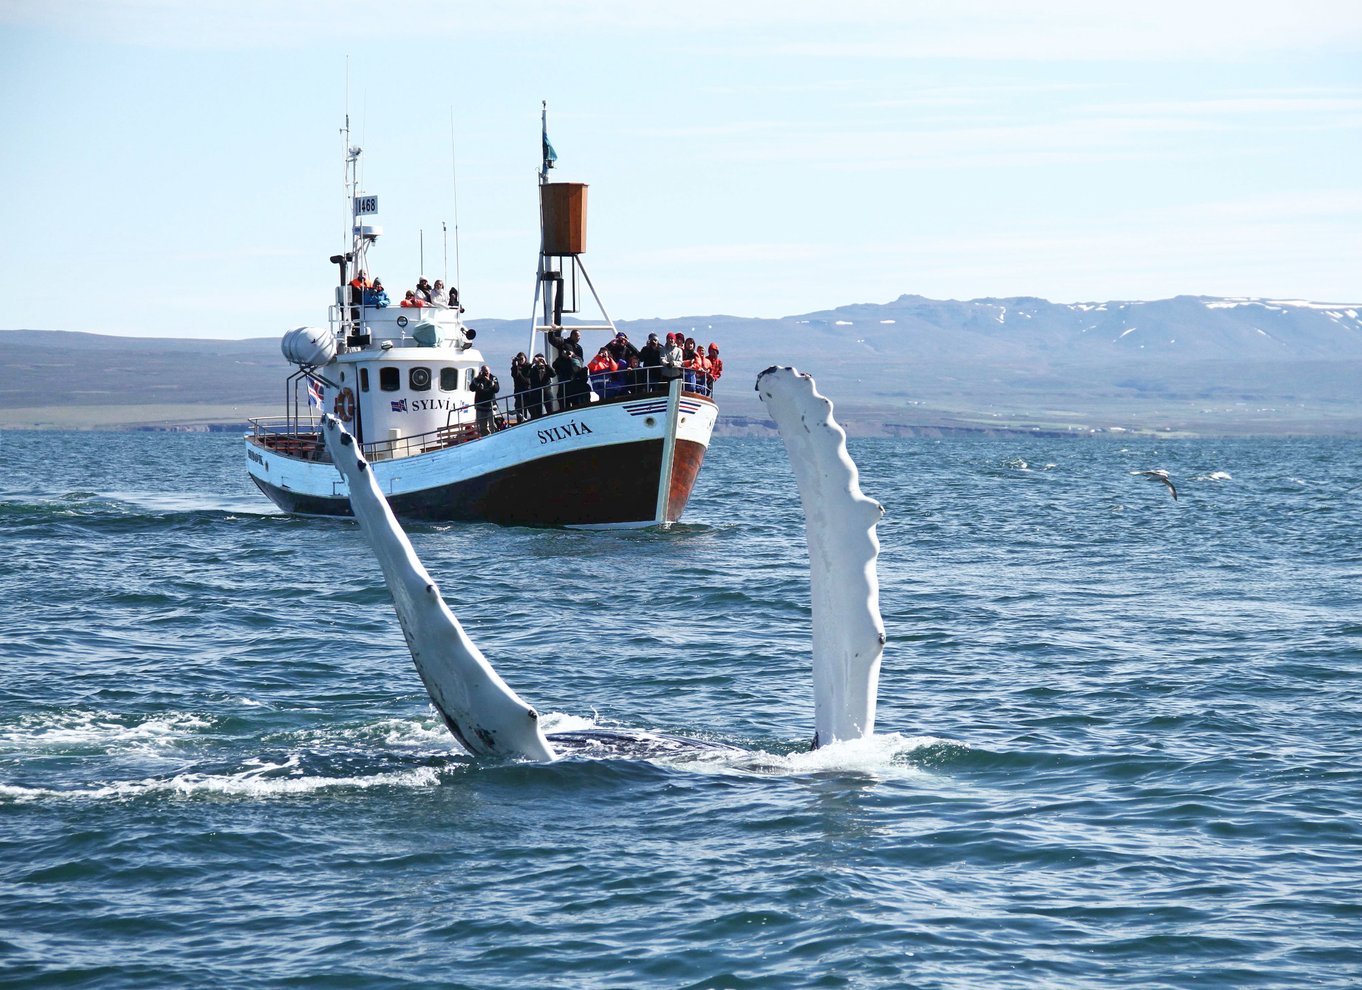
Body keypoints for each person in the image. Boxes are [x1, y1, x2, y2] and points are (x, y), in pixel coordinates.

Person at [471, 365, 500, 436]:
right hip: (480, 406)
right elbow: (471, 388)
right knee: (482, 427)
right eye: (484, 372)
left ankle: (495, 437)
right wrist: (478, 379)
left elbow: (496, 389)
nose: (486, 373)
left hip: (491, 406)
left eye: (487, 372)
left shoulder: (493, 378)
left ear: (489, 371)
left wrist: (489, 381)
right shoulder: (477, 379)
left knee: (493, 425)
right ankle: (485, 439)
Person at [527, 353, 553, 419]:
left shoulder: (547, 368)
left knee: (550, 411)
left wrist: (546, 364)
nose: (539, 361)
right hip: (536, 394)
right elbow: (526, 374)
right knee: (538, 413)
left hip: (546, 392)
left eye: (540, 359)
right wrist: (531, 364)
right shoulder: (532, 369)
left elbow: (553, 374)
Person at [510, 352, 531, 422]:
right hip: (519, 393)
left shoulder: (529, 367)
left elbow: (527, 381)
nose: (521, 360)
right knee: (520, 413)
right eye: (519, 359)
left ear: (525, 358)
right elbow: (515, 375)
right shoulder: (514, 368)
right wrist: (515, 366)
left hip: (528, 392)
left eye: (522, 358)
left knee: (532, 410)